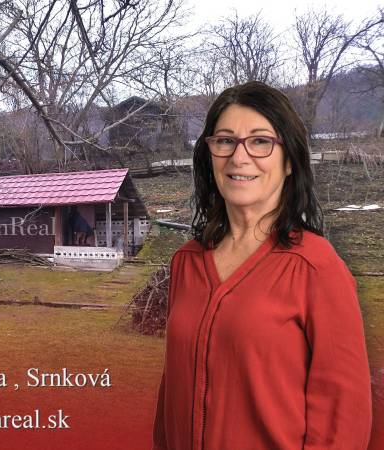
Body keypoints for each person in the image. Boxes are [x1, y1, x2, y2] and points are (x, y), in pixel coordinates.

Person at [152, 81, 372, 450]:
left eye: (260, 141)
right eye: (224, 141)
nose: (239, 158)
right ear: (209, 156)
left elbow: (343, 420)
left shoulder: (316, 268)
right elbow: (171, 393)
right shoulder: (187, 262)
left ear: (289, 161)